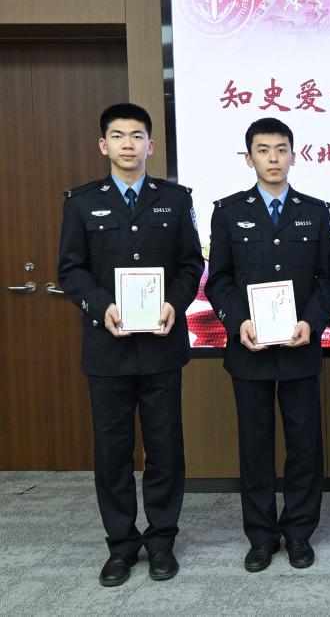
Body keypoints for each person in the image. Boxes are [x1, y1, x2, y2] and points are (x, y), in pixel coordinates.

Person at [57, 103, 203, 586]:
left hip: (161, 346)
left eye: (137, 136)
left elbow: (191, 265)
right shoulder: (81, 203)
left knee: (165, 448)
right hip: (108, 348)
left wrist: (175, 304)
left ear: (150, 145)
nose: (127, 144)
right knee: (112, 452)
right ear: (104, 145)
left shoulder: (175, 200)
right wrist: (101, 306)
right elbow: (71, 270)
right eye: (118, 136)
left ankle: (162, 542)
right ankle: (120, 545)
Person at [205, 118, 330, 572]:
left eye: (281, 149)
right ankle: (261, 537)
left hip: (300, 349)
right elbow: (218, 279)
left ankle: (299, 532)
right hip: (250, 351)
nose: (274, 158)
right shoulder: (228, 212)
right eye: (263, 150)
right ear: (249, 158)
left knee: (304, 445)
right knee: (255, 446)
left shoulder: (315, 212)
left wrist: (312, 322)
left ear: (294, 156)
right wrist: (237, 322)